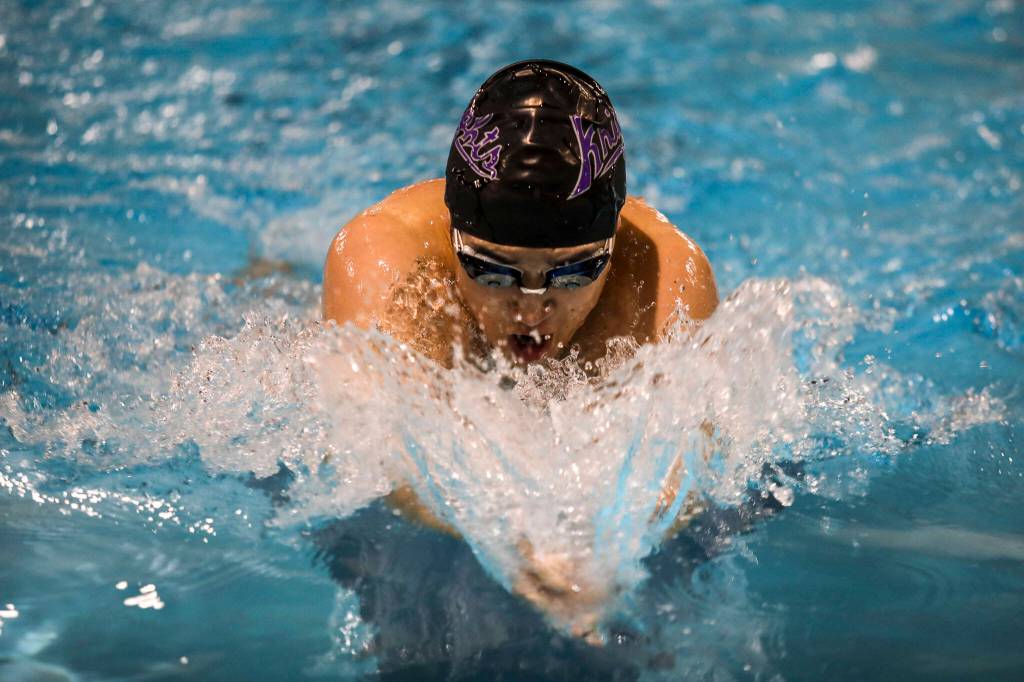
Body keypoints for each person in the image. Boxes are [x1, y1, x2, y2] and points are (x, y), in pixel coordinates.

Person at [321, 60, 718, 639]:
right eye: (493, 269)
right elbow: (378, 456)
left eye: (574, 271)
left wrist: (605, 546)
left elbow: (691, 464)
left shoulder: (663, 275)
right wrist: (512, 539)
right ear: (453, 234)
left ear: (610, 245)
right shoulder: (388, 259)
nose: (532, 311)